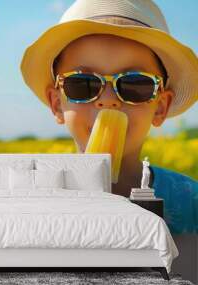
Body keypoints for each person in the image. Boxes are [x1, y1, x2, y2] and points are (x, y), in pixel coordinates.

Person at [20, 0, 197, 234]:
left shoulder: (192, 203)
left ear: (160, 107)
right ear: (57, 104)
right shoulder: (27, 206)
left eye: (135, 84)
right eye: (83, 84)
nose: (108, 99)